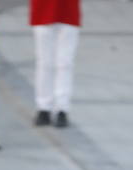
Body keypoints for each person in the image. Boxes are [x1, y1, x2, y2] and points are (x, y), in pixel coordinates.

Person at [31, 0, 81, 128]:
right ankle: (43, 107)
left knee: (65, 63)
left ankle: (62, 108)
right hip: (43, 9)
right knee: (44, 62)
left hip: (68, 11)